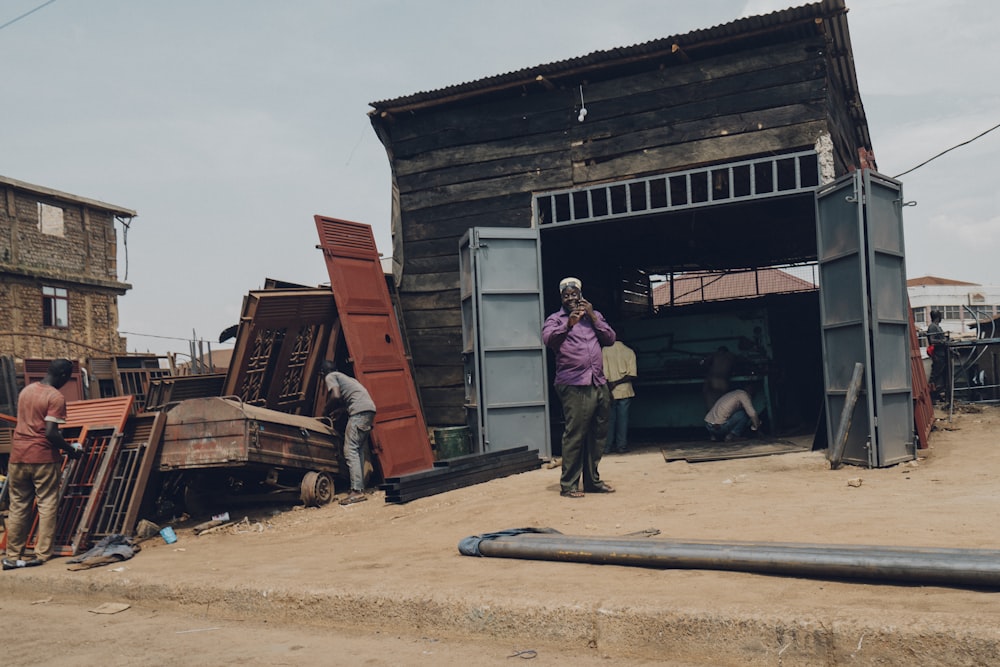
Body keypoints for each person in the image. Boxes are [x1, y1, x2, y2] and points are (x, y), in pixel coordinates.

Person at [4, 358, 82, 571]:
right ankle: (41, 553)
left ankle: (12, 554)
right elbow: (50, 432)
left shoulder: (26, 391)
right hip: (43, 457)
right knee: (47, 503)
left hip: (18, 456)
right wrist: (71, 450)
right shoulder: (55, 397)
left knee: (18, 506)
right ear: (65, 376)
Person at [542, 277, 617, 498]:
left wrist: (593, 316)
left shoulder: (594, 317)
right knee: (575, 434)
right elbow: (548, 339)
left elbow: (610, 338)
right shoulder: (556, 319)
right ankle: (569, 485)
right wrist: (568, 325)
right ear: (561, 298)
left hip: (597, 381)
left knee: (598, 434)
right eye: (566, 295)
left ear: (581, 295)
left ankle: (593, 481)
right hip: (573, 384)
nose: (571, 298)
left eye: (574, 294)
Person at [319, 360, 376, 506]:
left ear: (322, 373)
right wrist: (341, 410)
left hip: (359, 413)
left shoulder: (330, 376)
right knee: (358, 450)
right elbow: (355, 397)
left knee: (350, 450)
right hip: (368, 409)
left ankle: (356, 492)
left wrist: (326, 411)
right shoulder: (347, 378)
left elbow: (336, 396)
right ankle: (360, 487)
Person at [602, 339, 637, 454]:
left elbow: (604, 374)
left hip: (610, 391)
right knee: (623, 420)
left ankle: (607, 447)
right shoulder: (629, 351)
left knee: (609, 420)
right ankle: (621, 447)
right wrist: (617, 382)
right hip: (625, 391)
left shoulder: (605, 351)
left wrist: (611, 386)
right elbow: (632, 375)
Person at [701, 345, 736, 409]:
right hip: (723, 382)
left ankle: (711, 413)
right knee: (721, 405)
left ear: (719, 351)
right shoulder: (731, 356)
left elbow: (704, 363)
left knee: (709, 400)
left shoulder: (715, 355)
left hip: (713, 379)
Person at [926, 310, 948, 402]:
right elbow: (932, 340)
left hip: (943, 355)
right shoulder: (932, 327)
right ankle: (931, 396)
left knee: (944, 376)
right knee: (935, 376)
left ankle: (939, 394)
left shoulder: (938, 327)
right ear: (938, 317)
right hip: (938, 355)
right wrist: (942, 341)